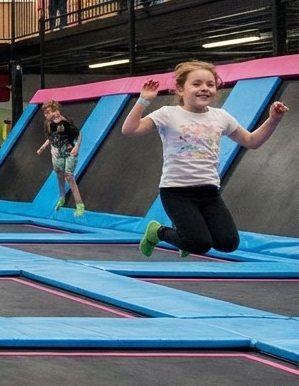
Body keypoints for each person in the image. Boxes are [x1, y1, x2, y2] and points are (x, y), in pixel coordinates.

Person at [123, 60, 287, 257]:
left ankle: (185, 236)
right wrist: (143, 101)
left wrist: (273, 119)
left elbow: (252, 141)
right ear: (180, 89)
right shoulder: (168, 114)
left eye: (210, 84)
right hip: (176, 192)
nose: (204, 88)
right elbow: (129, 130)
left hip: (209, 192)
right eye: (196, 84)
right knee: (199, 243)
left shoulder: (221, 117)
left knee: (228, 243)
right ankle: (157, 232)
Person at [34, 100, 86, 217]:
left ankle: (79, 204)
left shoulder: (65, 122)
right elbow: (51, 137)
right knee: (59, 175)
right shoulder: (48, 124)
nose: (49, 115)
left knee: (69, 177)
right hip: (59, 154)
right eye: (46, 113)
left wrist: (76, 147)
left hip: (69, 151)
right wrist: (43, 147)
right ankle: (62, 197)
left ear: (56, 111)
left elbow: (79, 134)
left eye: (50, 112)